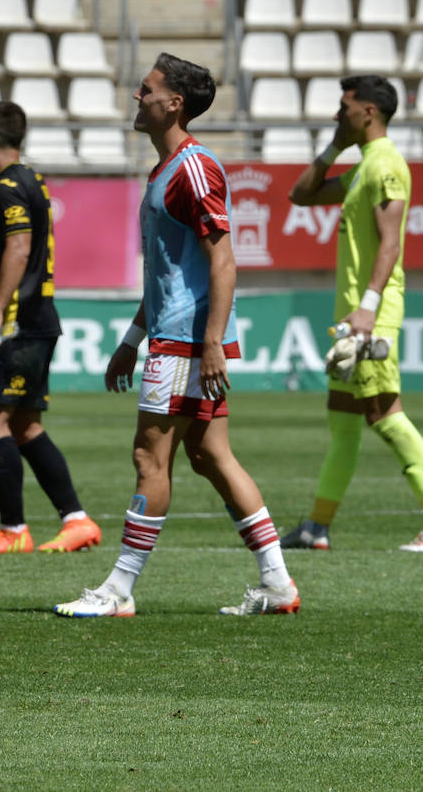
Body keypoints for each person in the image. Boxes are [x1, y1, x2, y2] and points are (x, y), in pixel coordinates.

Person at [53, 54, 299, 619]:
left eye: (147, 90)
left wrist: (210, 342)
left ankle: (118, 589)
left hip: (188, 341)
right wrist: (132, 337)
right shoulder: (166, 170)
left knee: (149, 455)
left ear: (175, 103)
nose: (137, 98)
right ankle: (278, 582)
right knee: (210, 455)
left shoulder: (193, 168)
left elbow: (224, 260)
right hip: (176, 334)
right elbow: (170, 272)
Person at [280, 75, 423, 552]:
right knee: (342, 419)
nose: (336, 115)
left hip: (371, 315)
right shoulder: (363, 166)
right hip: (352, 317)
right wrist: (332, 148)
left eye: (344, 108)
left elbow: (391, 242)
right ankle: (317, 526)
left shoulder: (386, 165)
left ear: (369, 111)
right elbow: (299, 195)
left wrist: (368, 308)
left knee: (384, 414)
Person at [0, 101, 101, 555]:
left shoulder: (7, 188)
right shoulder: (31, 179)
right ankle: (76, 520)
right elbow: (16, 249)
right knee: (24, 424)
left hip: (19, 324)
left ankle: (12, 529)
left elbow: (20, 250)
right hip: (39, 320)